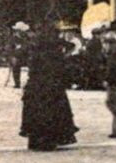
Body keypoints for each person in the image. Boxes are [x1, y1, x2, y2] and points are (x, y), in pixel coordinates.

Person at [19, 23, 79, 151]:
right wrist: (65, 54)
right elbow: (71, 46)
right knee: (54, 112)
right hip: (53, 85)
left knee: (36, 112)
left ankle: (35, 140)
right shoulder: (55, 49)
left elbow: (21, 55)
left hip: (36, 85)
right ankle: (51, 139)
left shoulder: (35, 47)